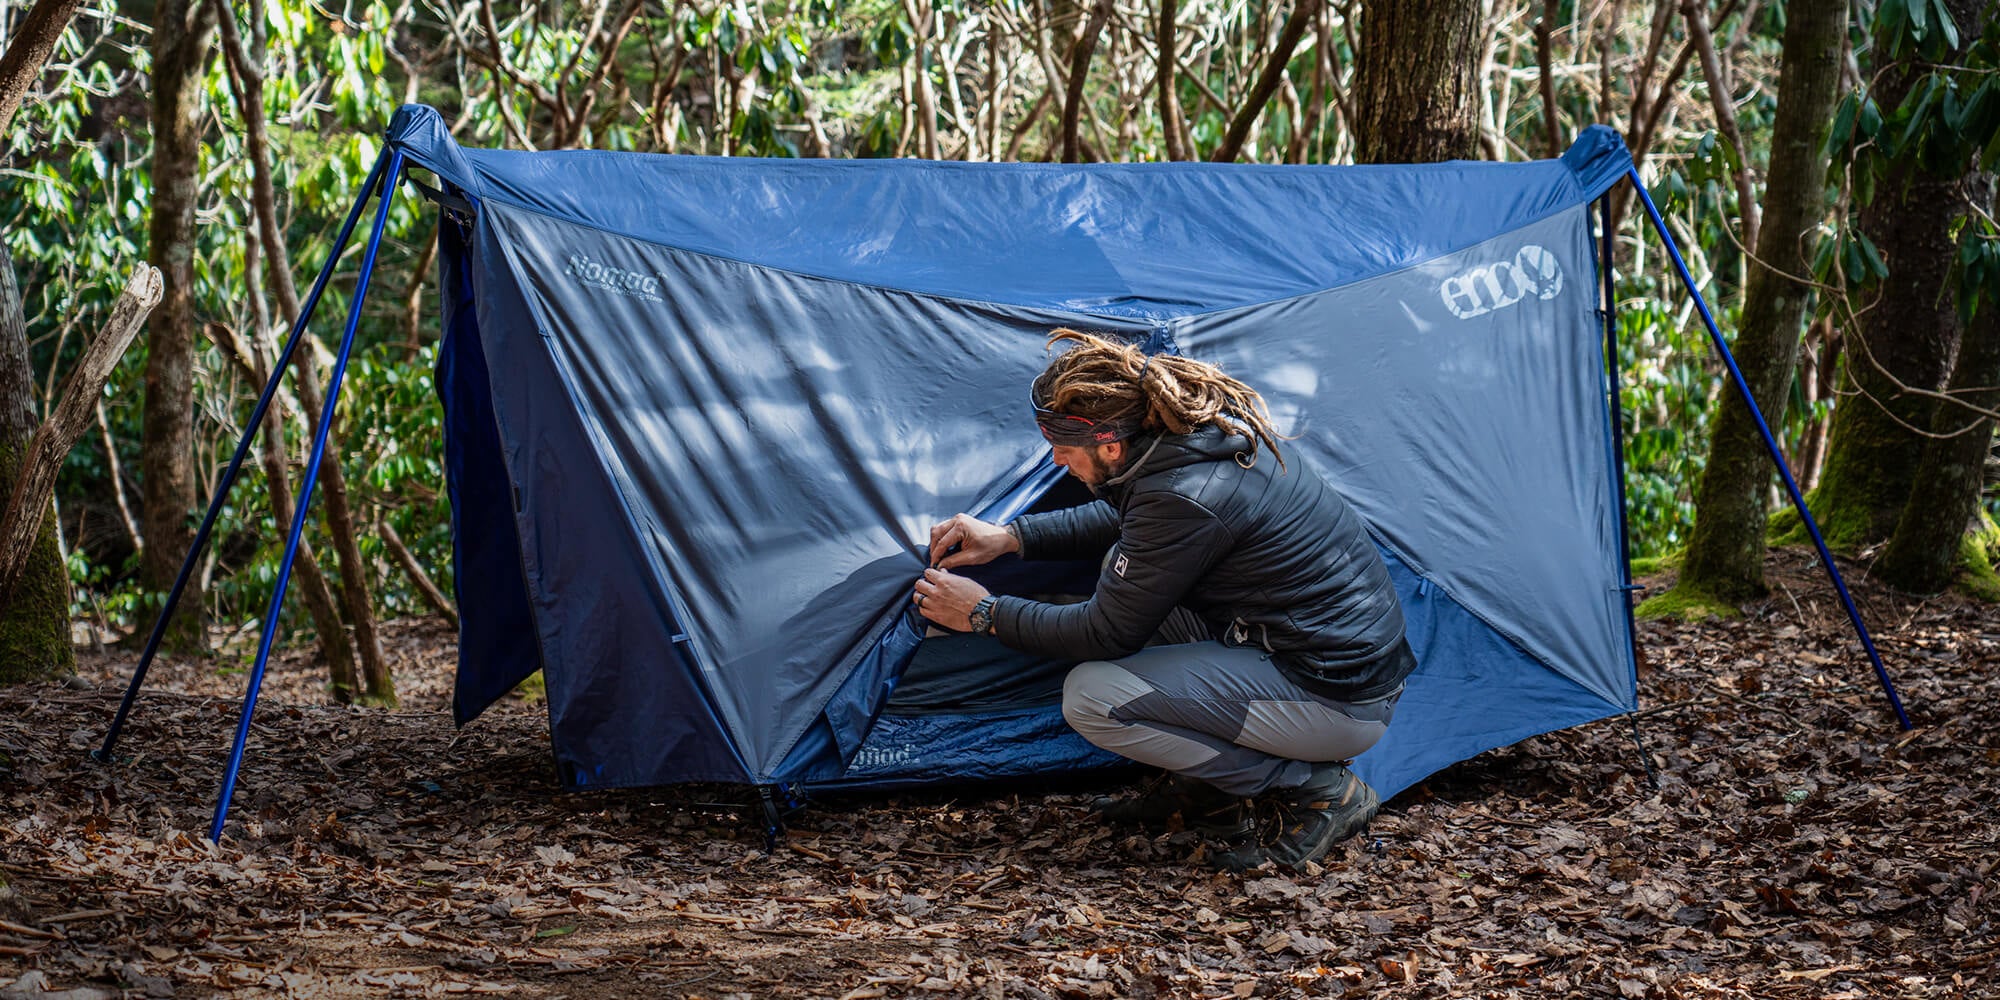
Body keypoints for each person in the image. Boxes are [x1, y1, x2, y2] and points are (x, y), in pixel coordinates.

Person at [910, 328, 1416, 872]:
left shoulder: (1186, 494)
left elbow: (1104, 634)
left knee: (1093, 696)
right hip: (1306, 654)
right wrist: (1013, 537)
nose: (1056, 461)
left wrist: (983, 613)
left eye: (1064, 448)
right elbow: (1134, 519)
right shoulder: (1192, 441)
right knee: (1120, 572)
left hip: (1335, 698)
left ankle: (1317, 789)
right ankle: (1211, 792)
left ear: (1109, 445)